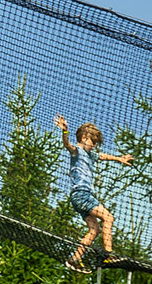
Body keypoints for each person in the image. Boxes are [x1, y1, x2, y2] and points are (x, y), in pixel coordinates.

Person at [55, 113, 134, 270]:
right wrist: (65, 132)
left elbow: (102, 156)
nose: (95, 146)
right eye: (93, 142)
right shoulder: (77, 150)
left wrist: (119, 159)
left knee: (94, 229)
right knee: (108, 218)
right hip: (81, 194)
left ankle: (74, 260)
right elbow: (67, 145)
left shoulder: (91, 154)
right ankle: (108, 254)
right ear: (84, 138)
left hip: (80, 198)